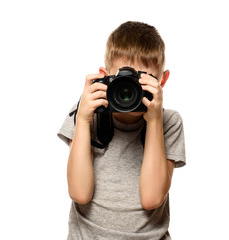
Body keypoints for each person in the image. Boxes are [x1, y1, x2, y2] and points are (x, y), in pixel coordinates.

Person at [57, 21, 186, 240]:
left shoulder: (168, 121)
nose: (130, 91)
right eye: (123, 81)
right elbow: (80, 193)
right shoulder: (87, 115)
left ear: (162, 81)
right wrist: (83, 120)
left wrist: (154, 122)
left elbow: (152, 198)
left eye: (142, 81)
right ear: (104, 77)